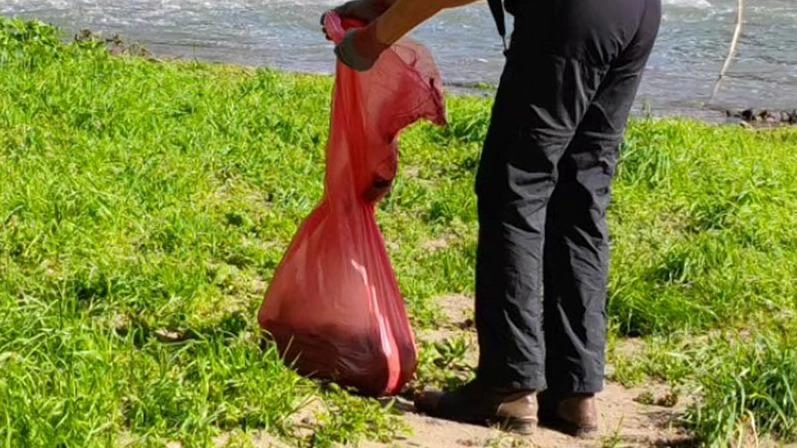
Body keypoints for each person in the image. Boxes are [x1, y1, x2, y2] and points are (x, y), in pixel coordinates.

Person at [323, 0, 661, 437]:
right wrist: (377, 7)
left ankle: (507, 386)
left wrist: (372, 40)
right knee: (580, 195)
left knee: (514, 188)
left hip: (569, 15)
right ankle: (574, 394)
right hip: (635, 14)